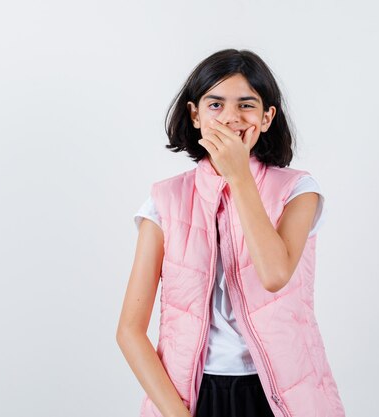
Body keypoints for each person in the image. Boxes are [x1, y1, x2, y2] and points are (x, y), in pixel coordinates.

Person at [116, 49, 346, 417]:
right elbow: (129, 330)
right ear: (195, 114)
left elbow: (274, 275)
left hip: (280, 396)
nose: (231, 118)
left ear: (267, 117)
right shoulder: (165, 200)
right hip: (191, 396)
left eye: (246, 105)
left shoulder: (298, 191)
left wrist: (239, 176)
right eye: (216, 104)